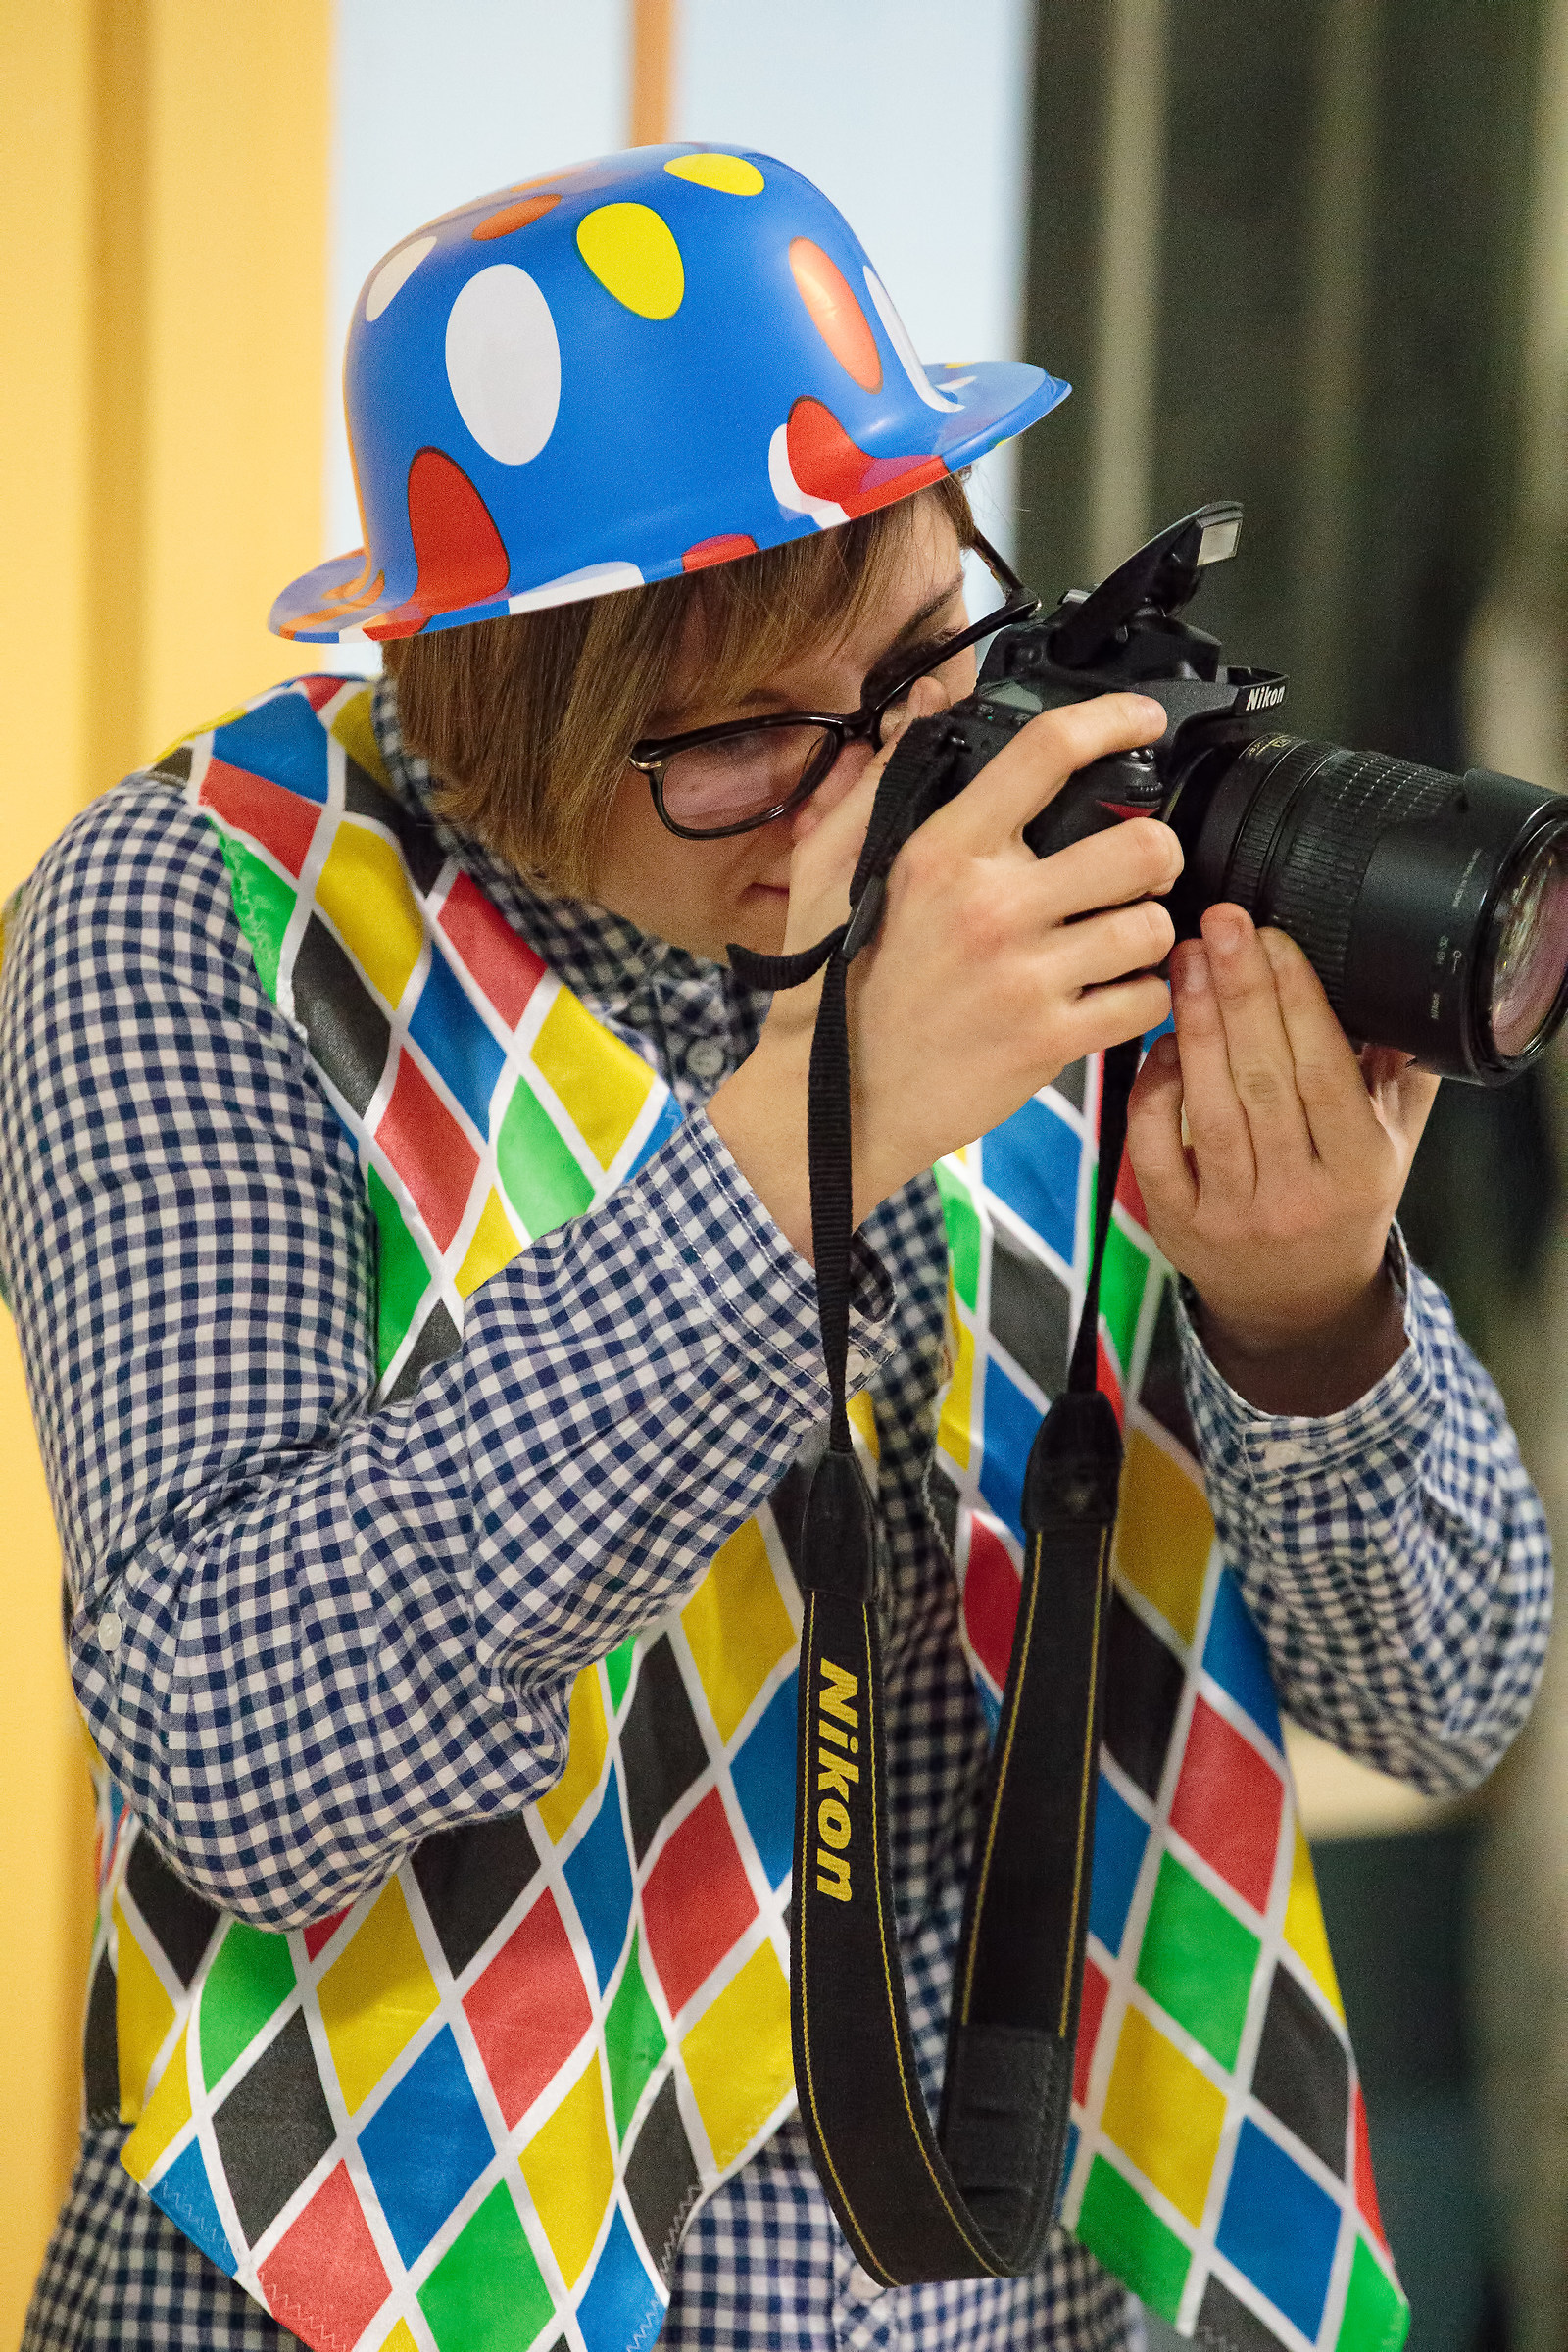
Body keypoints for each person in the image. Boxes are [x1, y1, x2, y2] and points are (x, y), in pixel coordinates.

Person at [6, 145, 1548, 2352]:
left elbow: (1448, 1696)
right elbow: (241, 1755)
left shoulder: (1050, 845)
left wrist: (1310, 1319)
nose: (862, 796)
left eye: (919, 655)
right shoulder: (194, 922)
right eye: (737, 739)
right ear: (467, 700)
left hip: (1000, 2270)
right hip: (382, 2282)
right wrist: (811, 1128)